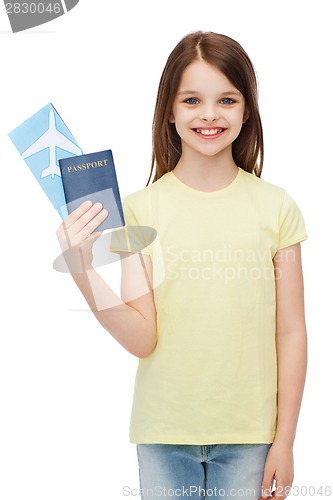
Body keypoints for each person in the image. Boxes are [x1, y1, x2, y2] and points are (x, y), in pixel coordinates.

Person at [56, 31, 308, 500]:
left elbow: (290, 331)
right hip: (163, 435)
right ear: (169, 111)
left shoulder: (277, 210)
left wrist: (286, 441)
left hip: (251, 435)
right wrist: (81, 269)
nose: (209, 114)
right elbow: (142, 336)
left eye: (226, 99)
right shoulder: (139, 210)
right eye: (192, 99)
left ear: (246, 109)